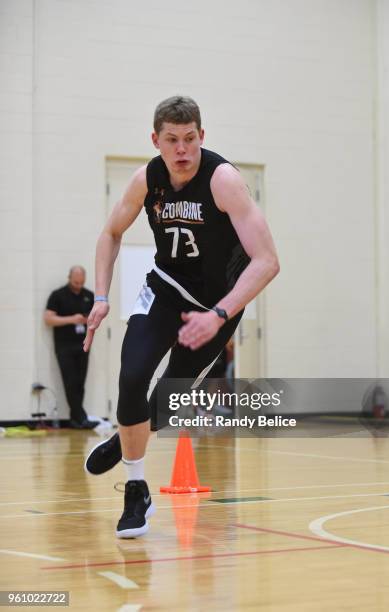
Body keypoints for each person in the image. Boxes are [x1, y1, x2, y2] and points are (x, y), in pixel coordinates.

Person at [83, 96, 280, 538]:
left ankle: (123, 438)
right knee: (132, 375)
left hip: (215, 307)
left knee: (167, 401)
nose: (182, 149)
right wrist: (99, 295)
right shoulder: (146, 179)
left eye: (190, 139)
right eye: (171, 140)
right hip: (165, 290)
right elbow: (111, 233)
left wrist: (221, 313)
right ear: (156, 141)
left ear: (202, 137)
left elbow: (267, 260)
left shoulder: (223, 180)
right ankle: (136, 489)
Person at [44, 266, 96, 429]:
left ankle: (76, 419)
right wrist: (72, 319)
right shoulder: (57, 295)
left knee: (80, 382)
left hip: (83, 344)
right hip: (64, 346)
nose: (78, 285)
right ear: (69, 278)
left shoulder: (89, 295)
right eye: (75, 282)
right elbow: (49, 319)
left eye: (81, 282)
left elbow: (94, 318)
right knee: (70, 381)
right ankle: (81, 416)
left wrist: (87, 320)